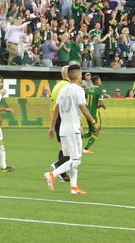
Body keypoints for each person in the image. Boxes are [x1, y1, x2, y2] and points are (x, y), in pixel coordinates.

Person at [45, 64, 97, 195]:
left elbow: (56, 110)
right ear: (78, 76)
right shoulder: (78, 90)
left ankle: (74, 187)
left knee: (70, 158)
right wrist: (93, 122)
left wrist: (52, 127)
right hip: (73, 129)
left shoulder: (63, 90)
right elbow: (83, 108)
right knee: (76, 160)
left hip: (63, 129)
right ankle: (53, 174)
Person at [83, 74, 106, 153]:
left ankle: (77, 137)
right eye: (100, 80)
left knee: (90, 132)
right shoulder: (99, 90)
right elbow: (100, 103)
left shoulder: (89, 90)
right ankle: (86, 148)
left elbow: (84, 99)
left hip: (87, 113)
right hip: (94, 114)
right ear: (97, 81)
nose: (100, 81)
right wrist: (104, 106)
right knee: (97, 131)